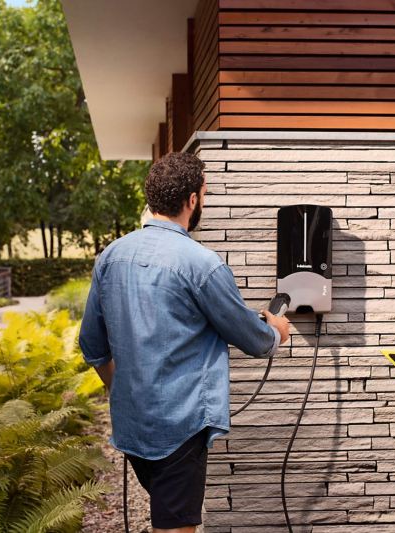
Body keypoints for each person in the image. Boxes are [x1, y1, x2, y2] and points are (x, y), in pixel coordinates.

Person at [79, 152, 291, 533]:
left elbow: (92, 345)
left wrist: (122, 389)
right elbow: (255, 340)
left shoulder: (110, 257)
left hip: (132, 424)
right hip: (179, 425)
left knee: (167, 516)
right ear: (193, 200)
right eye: (204, 195)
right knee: (175, 529)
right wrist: (276, 330)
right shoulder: (201, 264)